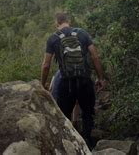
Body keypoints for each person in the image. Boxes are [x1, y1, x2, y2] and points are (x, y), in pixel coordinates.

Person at [41, 12, 105, 148]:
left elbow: (46, 65)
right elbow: (95, 56)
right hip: (85, 81)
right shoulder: (82, 33)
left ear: (56, 23)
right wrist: (100, 78)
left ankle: (70, 146)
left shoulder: (53, 38)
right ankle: (88, 144)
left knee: (65, 117)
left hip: (66, 83)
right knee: (87, 115)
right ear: (68, 21)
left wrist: (43, 84)